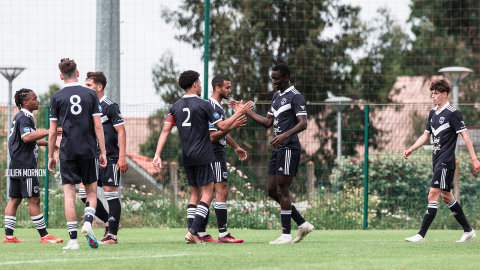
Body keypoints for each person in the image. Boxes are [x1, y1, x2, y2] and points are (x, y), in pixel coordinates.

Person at [152, 70, 253, 244]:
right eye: (199, 82)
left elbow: (165, 130)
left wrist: (157, 155)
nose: (200, 85)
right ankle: (193, 232)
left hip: (187, 155)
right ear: (194, 84)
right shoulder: (204, 104)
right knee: (207, 194)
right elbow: (221, 125)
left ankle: (195, 233)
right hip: (203, 154)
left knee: (194, 195)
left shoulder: (174, 107)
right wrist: (239, 112)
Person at [229, 63, 314, 244]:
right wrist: (245, 111)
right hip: (277, 148)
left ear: (286, 78)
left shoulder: (296, 97)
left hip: (289, 147)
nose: (273, 81)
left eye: (276, 78)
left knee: (283, 189)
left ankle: (286, 235)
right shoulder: (276, 97)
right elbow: (267, 122)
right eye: (272, 78)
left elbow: (303, 123)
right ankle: (302, 223)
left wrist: (284, 135)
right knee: (272, 190)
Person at [404, 79, 480, 242]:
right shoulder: (432, 113)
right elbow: (425, 135)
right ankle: (468, 230)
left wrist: (474, 158)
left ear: (444, 94)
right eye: (432, 93)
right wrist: (411, 148)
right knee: (446, 196)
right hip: (437, 160)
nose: (433, 96)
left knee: (433, 194)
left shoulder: (453, 113)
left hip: (446, 161)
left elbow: (465, 136)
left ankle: (421, 235)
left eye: (436, 93)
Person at [48, 58, 107, 249]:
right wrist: (103, 151)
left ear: (61, 76)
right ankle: (88, 222)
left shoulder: (56, 97)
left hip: (67, 150)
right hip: (88, 149)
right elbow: (98, 125)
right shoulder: (91, 94)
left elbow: (52, 131)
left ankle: (73, 241)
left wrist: (51, 155)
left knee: (68, 196)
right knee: (90, 192)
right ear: (78, 73)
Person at [3, 89, 63, 244]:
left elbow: (25, 139)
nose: (38, 101)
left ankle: (8, 237)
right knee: (34, 198)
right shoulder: (25, 117)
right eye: (34, 98)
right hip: (25, 165)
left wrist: (47, 144)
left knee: (14, 199)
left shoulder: (20, 117)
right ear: (25, 102)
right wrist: (50, 131)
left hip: (16, 164)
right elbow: (26, 137)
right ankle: (44, 236)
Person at [75, 71, 128, 245]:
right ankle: (110, 222)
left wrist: (122, 157)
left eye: (89, 85)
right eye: (85, 84)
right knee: (83, 193)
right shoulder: (87, 106)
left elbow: (121, 131)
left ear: (99, 87)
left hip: (111, 157)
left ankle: (112, 235)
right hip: (91, 158)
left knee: (110, 194)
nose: (86, 88)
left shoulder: (110, 106)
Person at [198, 75, 247, 243]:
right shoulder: (212, 106)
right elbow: (213, 137)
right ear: (217, 88)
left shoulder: (218, 106)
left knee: (210, 192)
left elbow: (223, 131)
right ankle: (223, 234)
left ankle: (201, 232)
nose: (230, 90)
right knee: (222, 190)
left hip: (216, 151)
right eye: (227, 87)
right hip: (214, 152)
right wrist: (235, 120)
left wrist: (235, 147)